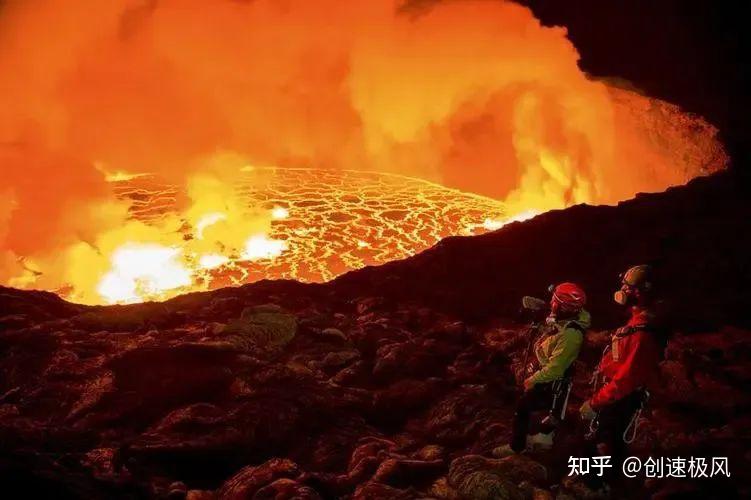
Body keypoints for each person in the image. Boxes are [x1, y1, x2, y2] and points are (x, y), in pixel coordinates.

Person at [579, 264, 667, 482]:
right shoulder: (638, 322)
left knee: (606, 444)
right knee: (604, 440)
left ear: (637, 292)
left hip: (622, 399)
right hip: (616, 394)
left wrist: (595, 403)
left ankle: (602, 485)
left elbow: (627, 379)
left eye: (626, 287)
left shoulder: (643, 333)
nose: (622, 291)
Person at [494, 282, 590, 457]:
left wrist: (533, 379)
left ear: (564, 306)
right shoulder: (566, 321)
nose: (551, 304)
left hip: (552, 382)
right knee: (531, 406)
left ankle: (518, 447)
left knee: (523, 406)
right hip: (548, 376)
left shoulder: (571, 335)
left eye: (555, 301)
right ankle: (542, 437)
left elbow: (556, 368)